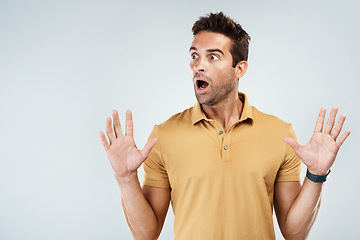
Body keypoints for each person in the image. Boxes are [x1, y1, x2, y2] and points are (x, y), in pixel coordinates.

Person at [99, 12, 351, 240]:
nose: (199, 65)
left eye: (213, 57)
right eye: (194, 56)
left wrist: (316, 175)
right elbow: (146, 234)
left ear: (239, 68)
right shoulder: (164, 136)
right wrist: (125, 178)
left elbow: (294, 233)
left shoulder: (280, 134)